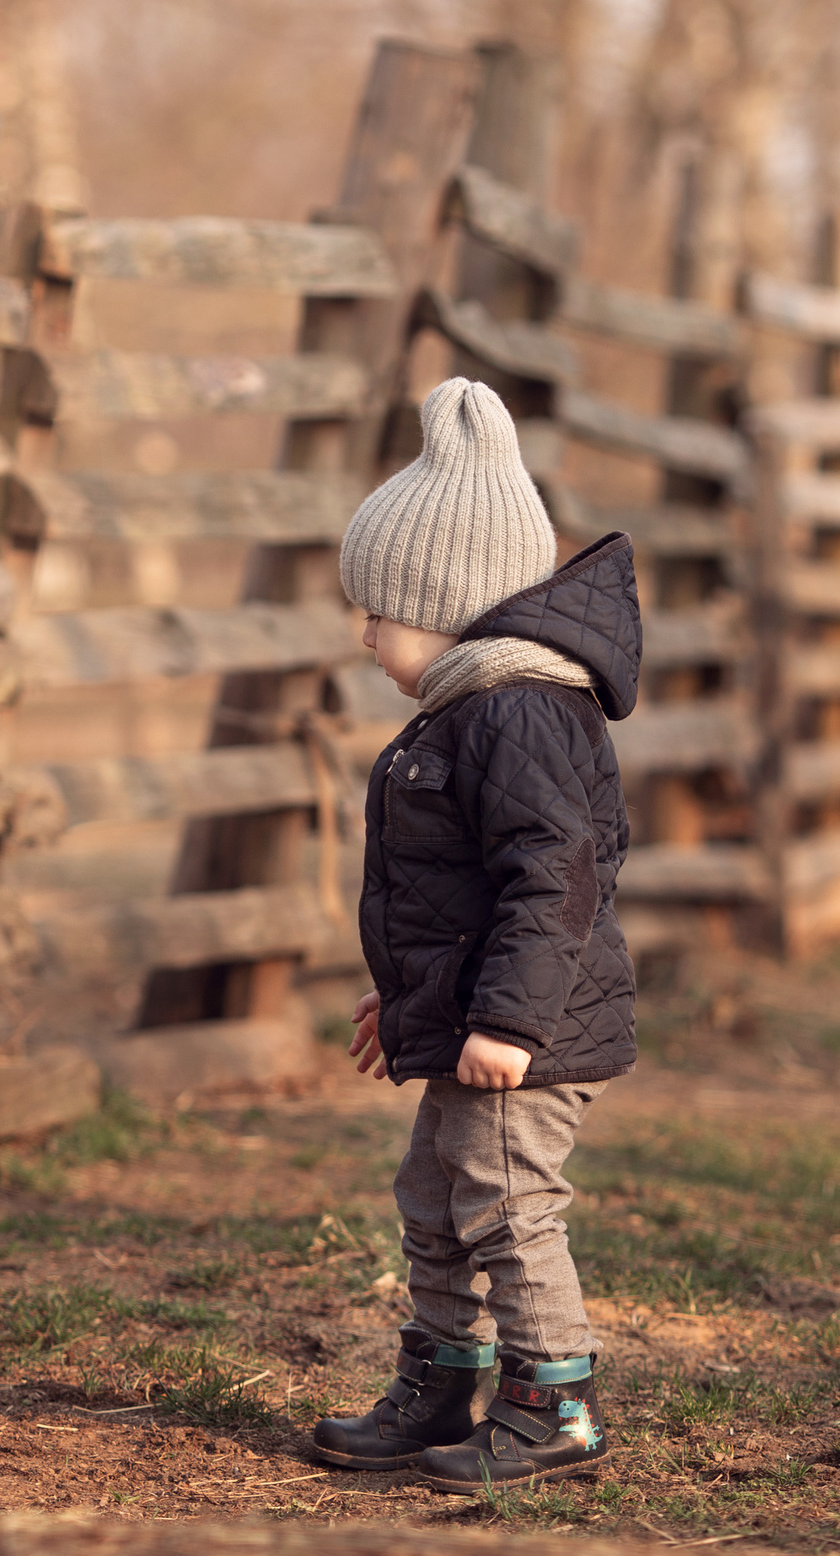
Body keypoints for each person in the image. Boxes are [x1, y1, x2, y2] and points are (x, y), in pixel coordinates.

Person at [310, 377, 640, 1494]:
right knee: (433, 1198)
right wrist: (409, 1001)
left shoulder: (516, 710)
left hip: (529, 1032)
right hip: (486, 1019)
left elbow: (554, 880)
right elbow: (459, 897)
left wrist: (499, 1019)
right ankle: (443, 1376)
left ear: (453, 605)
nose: (364, 632)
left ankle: (554, 1404)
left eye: (381, 610)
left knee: (503, 1202)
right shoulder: (473, 707)